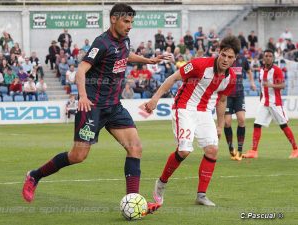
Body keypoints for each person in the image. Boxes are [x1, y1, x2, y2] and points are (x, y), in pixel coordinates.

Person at [22, 3, 166, 214]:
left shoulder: (124, 40)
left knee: (135, 147)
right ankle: (35, 175)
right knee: (78, 156)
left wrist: (148, 59)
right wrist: (82, 96)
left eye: (132, 22)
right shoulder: (102, 43)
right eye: (126, 21)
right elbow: (81, 70)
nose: (129, 26)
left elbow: (125, 55)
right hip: (93, 107)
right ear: (113, 19)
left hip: (114, 106)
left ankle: (133, 202)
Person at [145, 36, 240, 207]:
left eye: (230, 57)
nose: (226, 60)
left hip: (204, 113)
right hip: (184, 108)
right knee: (184, 151)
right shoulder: (199, 64)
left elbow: (222, 100)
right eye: (224, 55)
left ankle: (201, 195)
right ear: (219, 53)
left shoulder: (231, 78)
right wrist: (155, 98)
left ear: (235, 59)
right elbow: (173, 78)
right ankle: (161, 183)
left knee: (212, 150)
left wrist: (219, 125)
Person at [243, 49, 298, 159]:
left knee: (283, 126)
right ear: (263, 58)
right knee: (257, 124)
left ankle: (295, 149)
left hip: (275, 103)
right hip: (264, 103)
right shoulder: (261, 70)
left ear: (272, 58)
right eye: (266, 56)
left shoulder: (276, 70)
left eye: (270, 56)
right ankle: (254, 151)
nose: (268, 57)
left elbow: (282, 85)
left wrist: (270, 84)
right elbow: (263, 87)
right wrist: (261, 98)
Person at [224, 54, 256, 160]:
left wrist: (252, 83)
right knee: (227, 122)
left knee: (241, 120)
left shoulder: (242, 59)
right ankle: (230, 148)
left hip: (239, 94)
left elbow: (249, 71)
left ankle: (240, 150)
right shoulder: (226, 58)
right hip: (227, 95)